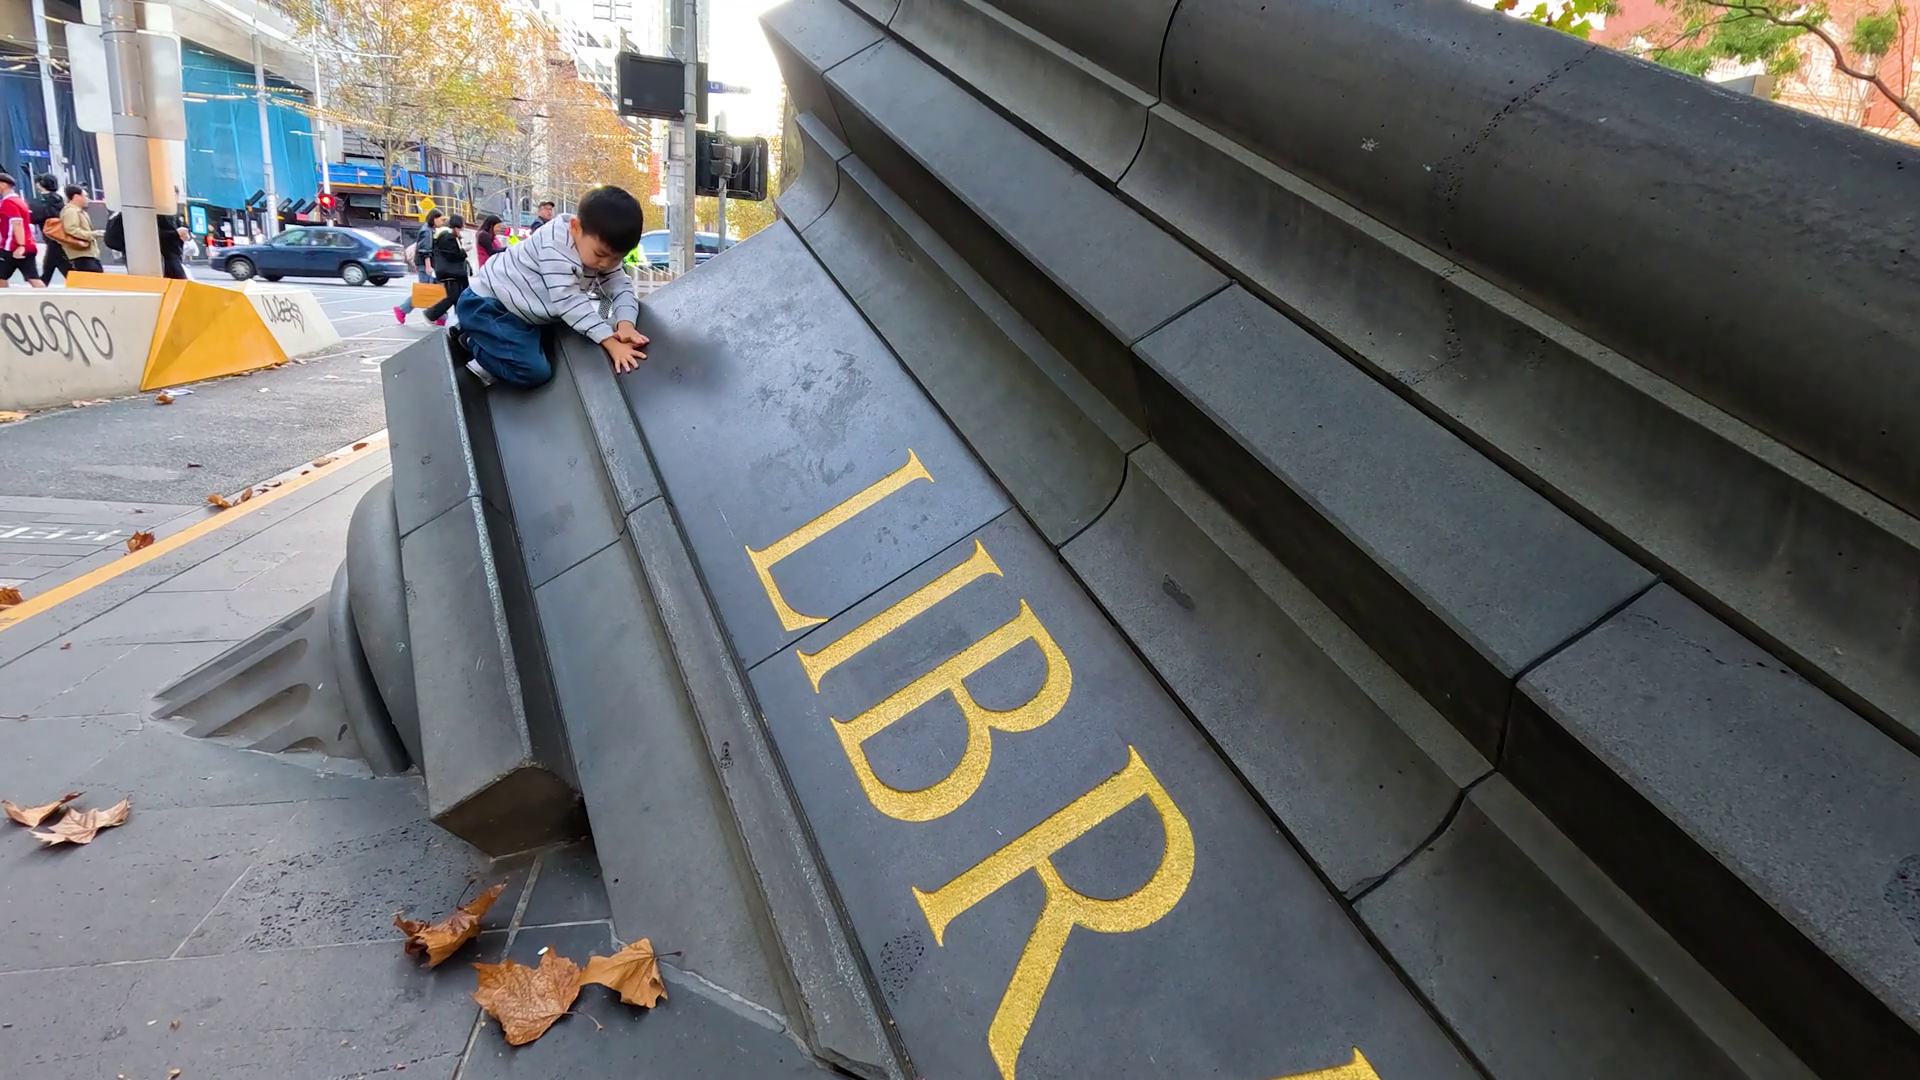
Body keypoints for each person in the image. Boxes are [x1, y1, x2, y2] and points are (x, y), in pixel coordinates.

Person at [454, 184, 647, 388]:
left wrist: (626, 324)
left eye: (616, 258)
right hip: (490, 306)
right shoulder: (555, 247)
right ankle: (474, 343)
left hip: (523, 310)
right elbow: (569, 302)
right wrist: (610, 342)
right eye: (600, 254)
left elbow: (620, 286)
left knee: (561, 343)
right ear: (575, 227)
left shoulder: (597, 250)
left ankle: (489, 340)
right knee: (534, 371)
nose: (605, 264)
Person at [393, 209, 442, 324]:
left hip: (427, 265)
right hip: (426, 265)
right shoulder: (427, 231)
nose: (442, 221)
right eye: (440, 219)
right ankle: (402, 310)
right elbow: (425, 250)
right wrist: (428, 266)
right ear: (434, 219)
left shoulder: (430, 230)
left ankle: (440, 316)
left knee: (434, 290)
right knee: (424, 291)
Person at [421, 213, 470, 326]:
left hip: (451, 271)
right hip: (450, 272)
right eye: (463, 224)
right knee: (453, 296)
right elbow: (453, 254)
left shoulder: (448, 235)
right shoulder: (448, 236)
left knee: (458, 296)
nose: (464, 226)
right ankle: (431, 314)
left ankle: (460, 319)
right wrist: (464, 251)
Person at [0, 174, 45, 288]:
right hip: (26, 245)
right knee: (33, 277)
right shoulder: (20, 201)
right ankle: (47, 296)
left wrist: (21, 245)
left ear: (3, 185)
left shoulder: (8, 202)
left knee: (2, 277)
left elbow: (17, 223)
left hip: (12, 247)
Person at [57, 186, 103, 273]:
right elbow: (71, 230)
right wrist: (93, 234)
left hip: (87, 253)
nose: (87, 199)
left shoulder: (79, 211)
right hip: (81, 254)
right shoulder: (70, 211)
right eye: (85, 196)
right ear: (76, 196)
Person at [32, 175, 67, 283]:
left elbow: (34, 218)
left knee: (52, 265)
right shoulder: (60, 199)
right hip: (60, 236)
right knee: (57, 264)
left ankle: (41, 285)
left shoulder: (41, 201)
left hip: (50, 236)